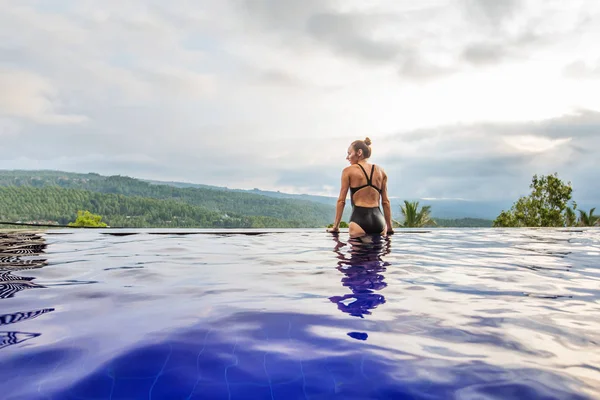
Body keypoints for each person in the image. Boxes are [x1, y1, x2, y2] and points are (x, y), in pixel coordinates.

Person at [327, 137, 394, 237]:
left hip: (359, 221)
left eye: (349, 153)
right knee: (377, 251)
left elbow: (341, 201)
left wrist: (335, 227)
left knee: (358, 252)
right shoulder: (381, 171)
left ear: (359, 152)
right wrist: (389, 228)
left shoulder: (348, 171)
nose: (347, 157)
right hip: (379, 221)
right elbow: (385, 202)